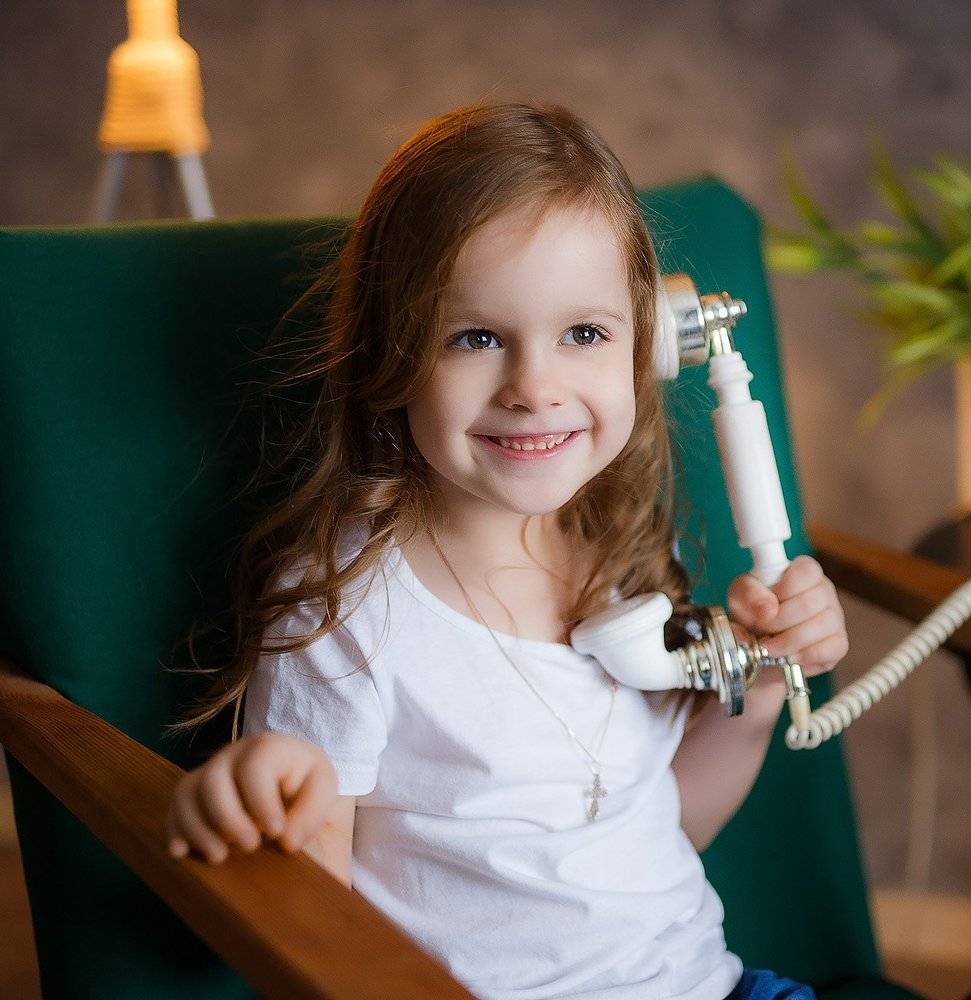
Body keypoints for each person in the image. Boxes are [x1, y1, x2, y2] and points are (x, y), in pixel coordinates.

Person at [160, 102, 848, 1000]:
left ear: (645, 349)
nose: (534, 387)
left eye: (584, 334)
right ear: (391, 355)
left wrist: (756, 694)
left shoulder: (624, 555)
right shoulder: (345, 611)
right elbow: (314, 916)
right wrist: (265, 806)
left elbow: (666, 832)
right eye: (476, 337)